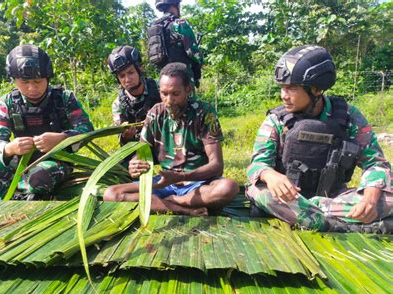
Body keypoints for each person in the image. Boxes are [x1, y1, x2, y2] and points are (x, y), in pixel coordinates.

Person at [246, 45, 392, 233]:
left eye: (291, 88)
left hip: (335, 198)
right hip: (290, 198)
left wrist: (370, 199)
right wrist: (270, 175)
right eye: (282, 88)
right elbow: (256, 165)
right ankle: (343, 224)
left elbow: (376, 164)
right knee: (259, 193)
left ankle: (315, 218)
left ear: (315, 89)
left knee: (385, 194)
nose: (284, 95)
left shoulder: (349, 117)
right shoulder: (276, 120)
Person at [0, 44, 94, 200]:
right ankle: (19, 198)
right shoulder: (7, 103)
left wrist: (62, 139)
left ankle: (24, 191)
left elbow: (87, 130)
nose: (32, 88)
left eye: (37, 81)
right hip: (18, 163)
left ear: (47, 77)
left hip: (55, 163)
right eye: (24, 82)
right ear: (14, 80)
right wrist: (9, 148)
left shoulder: (64, 98)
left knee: (38, 179)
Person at [104, 62, 238, 216]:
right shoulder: (155, 114)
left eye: (175, 94)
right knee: (111, 194)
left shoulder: (204, 113)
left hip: (198, 184)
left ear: (188, 90)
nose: (169, 100)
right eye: (164, 93)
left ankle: (172, 201)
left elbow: (217, 165)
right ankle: (181, 208)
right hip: (165, 183)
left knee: (229, 188)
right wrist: (136, 164)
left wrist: (183, 176)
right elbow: (142, 153)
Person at [108, 45, 161, 146]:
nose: (127, 79)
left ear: (140, 69)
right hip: (141, 150)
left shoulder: (161, 88)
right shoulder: (118, 104)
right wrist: (125, 136)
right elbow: (121, 139)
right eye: (122, 76)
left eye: (131, 72)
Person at [147, 0, 203, 91]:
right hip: (183, 76)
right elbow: (193, 53)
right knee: (188, 104)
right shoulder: (179, 23)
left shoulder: (155, 27)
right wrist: (200, 60)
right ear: (175, 5)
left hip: (164, 78)